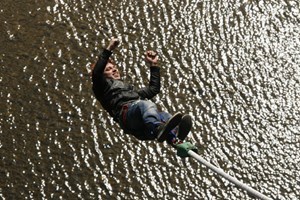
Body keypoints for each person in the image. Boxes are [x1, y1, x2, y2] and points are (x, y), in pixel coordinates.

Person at [91, 37, 192, 145]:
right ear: (103, 75)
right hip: (127, 118)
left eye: (114, 67)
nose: (114, 69)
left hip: (144, 129)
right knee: (145, 104)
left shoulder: (132, 92)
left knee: (166, 116)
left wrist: (153, 65)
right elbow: (96, 73)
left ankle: (174, 138)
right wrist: (109, 48)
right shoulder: (102, 87)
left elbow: (153, 89)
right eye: (108, 69)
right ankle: (158, 128)